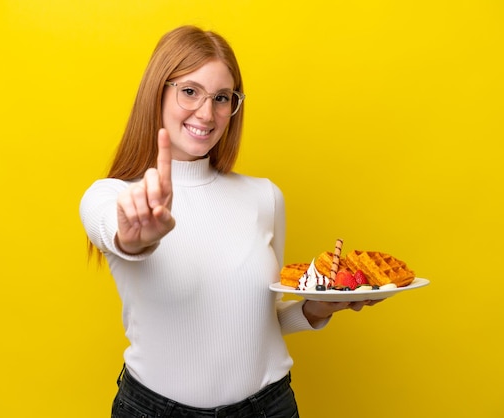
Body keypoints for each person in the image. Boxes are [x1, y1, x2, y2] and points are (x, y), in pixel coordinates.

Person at [80, 25, 381, 418]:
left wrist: (315, 310)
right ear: (158, 90)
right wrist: (139, 238)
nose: (207, 113)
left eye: (222, 98)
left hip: (268, 407)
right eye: (190, 91)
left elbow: (259, 320)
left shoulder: (265, 197)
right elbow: (116, 231)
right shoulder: (113, 197)